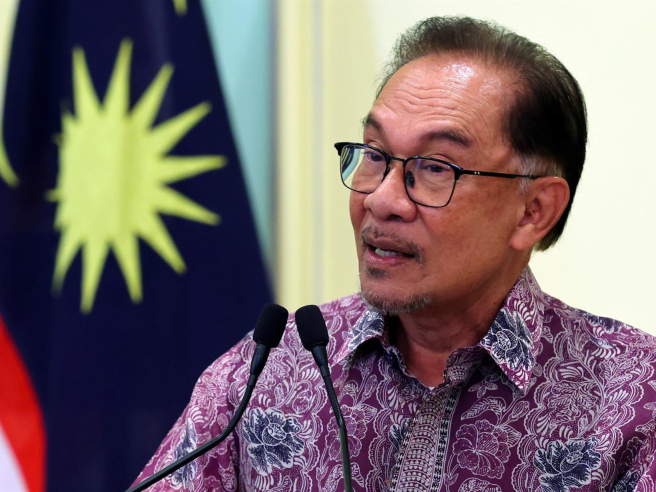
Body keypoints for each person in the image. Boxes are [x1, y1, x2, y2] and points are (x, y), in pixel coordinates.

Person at [135, 16, 656, 491]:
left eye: (435, 168)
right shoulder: (269, 372)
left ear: (533, 211)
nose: (381, 200)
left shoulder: (631, 401)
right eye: (374, 154)